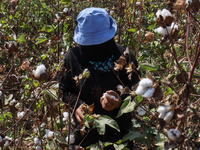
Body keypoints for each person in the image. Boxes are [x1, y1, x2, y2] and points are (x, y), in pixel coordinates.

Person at [59, 7, 140, 149]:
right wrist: (76, 105)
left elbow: (138, 94)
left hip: (119, 135)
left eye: (100, 43)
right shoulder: (72, 58)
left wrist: (121, 103)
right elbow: (64, 91)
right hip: (85, 135)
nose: (96, 47)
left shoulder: (125, 57)